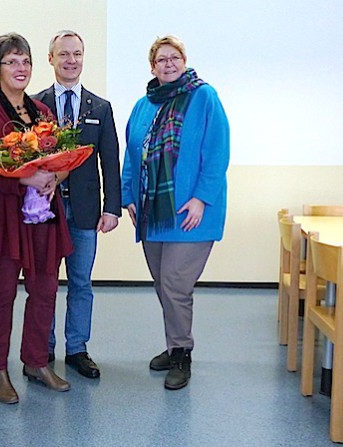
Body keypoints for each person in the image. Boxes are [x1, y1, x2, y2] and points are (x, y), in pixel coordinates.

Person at [121, 35, 230, 390]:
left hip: (190, 214)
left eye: (175, 58)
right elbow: (132, 155)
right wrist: (128, 197)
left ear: (184, 61)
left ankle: (182, 353)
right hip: (153, 214)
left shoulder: (203, 97)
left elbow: (217, 152)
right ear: (152, 67)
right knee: (163, 285)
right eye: (161, 60)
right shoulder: (143, 105)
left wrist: (201, 198)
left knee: (175, 285)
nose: (169, 64)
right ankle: (174, 344)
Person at [0, 33, 73, 405]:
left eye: (26, 61)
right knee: (1, 294)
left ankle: (35, 362)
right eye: (12, 61)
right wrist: (25, 178)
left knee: (45, 290)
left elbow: (61, 159)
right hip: (5, 216)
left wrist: (54, 177)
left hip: (43, 215)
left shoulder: (43, 113)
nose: (21, 68)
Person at [33, 30, 121, 379]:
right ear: (51, 58)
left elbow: (110, 161)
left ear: (84, 58)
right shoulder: (35, 105)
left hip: (85, 212)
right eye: (64, 54)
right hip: (45, 211)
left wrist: (112, 206)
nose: (71, 61)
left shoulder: (100, 108)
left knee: (81, 282)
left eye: (77, 54)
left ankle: (77, 349)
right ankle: (44, 347)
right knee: (45, 282)